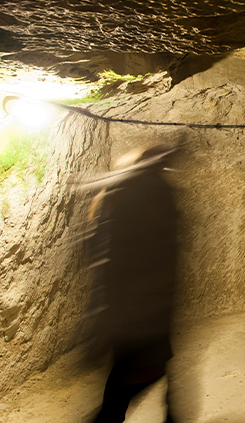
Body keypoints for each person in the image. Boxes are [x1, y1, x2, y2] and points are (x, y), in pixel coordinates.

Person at [83, 145, 179, 423]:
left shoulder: (122, 194)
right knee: (136, 376)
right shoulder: (150, 192)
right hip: (142, 309)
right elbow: (149, 252)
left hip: (134, 307)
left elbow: (101, 251)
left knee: (135, 375)